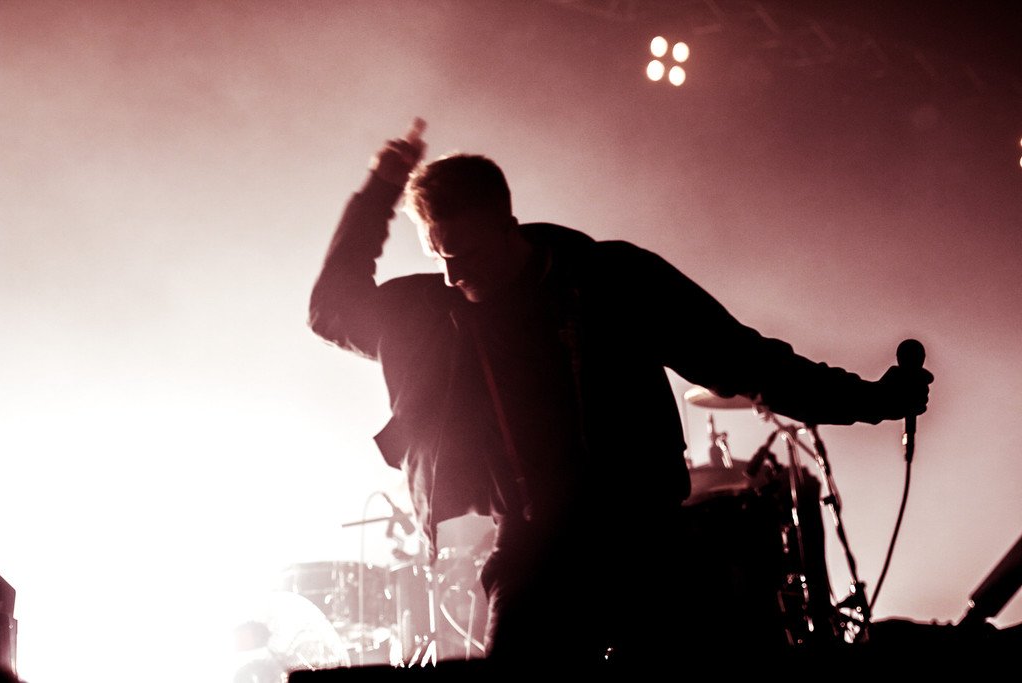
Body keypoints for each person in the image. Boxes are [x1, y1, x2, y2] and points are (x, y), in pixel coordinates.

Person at [307, 118, 933, 671]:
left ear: (506, 223)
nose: (452, 274)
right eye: (438, 254)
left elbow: (744, 359)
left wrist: (871, 400)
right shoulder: (433, 315)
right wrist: (382, 186)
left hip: (645, 535)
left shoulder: (613, 279)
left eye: (465, 253)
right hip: (533, 545)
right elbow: (331, 308)